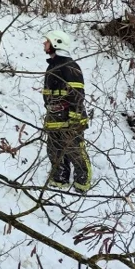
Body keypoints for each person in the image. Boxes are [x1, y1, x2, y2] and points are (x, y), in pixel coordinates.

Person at [42, 29, 92, 193]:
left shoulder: (69, 66)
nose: (44, 43)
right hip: (54, 117)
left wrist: (74, 119)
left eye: (47, 41)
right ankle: (60, 179)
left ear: (56, 43)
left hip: (70, 119)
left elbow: (77, 95)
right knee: (54, 149)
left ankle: (82, 182)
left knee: (75, 150)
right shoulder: (54, 66)